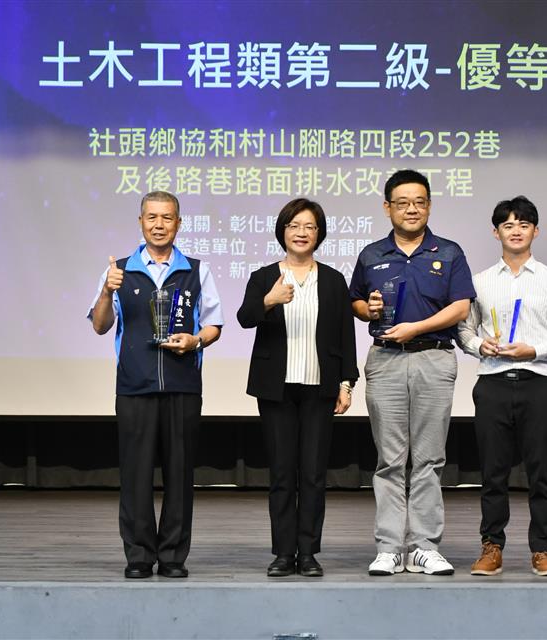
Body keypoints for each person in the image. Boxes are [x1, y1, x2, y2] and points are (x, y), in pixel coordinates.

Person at [89, 191, 223, 579]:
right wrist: (107, 291)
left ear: (179, 223)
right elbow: (100, 325)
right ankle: (138, 556)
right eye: (152, 217)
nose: (159, 225)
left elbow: (214, 325)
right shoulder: (119, 271)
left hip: (183, 387)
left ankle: (173, 557)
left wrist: (195, 341)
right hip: (135, 387)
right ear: (140, 222)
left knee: (180, 476)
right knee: (135, 476)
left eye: (167, 218)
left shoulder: (196, 270)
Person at [349, 169, 475, 576]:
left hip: (433, 358)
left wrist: (416, 328)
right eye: (402, 203)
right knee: (389, 459)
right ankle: (389, 546)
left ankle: (424, 546)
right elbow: (355, 302)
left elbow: (461, 307)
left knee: (429, 458)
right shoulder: (371, 254)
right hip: (385, 360)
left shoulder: (449, 252)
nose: (411, 209)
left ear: (429, 206)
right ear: (387, 207)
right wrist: (367, 309)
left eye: (419, 202)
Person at [456, 195, 547, 577]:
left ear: (535, 231)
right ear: (496, 232)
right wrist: (480, 345)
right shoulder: (479, 282)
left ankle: (542, 550)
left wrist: (534, 350)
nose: (516, 231)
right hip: (492, 383)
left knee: (541, 473)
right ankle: (491, 547)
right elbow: (463, 330)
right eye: (507, 225)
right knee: (492, 473)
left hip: (538, 383)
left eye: (523, 224)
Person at [237, 198, 358, 578]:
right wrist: (269, 301)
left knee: (313, 474)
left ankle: (307, 553)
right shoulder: (264, 277)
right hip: (277, 389)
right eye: (294, 226)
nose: (301, 233)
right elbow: (244, 318)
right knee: (282, 473)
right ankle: (282, 553)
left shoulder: (333, 280)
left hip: (320, 389)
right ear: (282, 232)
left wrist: (346, 383)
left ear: (319, 234)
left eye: (309, 226)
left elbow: (346, 335)